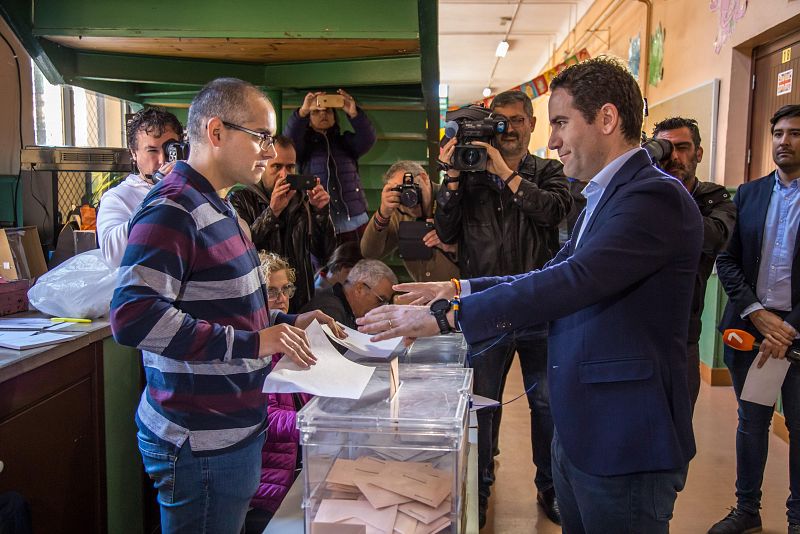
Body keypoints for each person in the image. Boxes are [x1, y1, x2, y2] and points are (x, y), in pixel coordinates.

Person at [358, 56, 702, 534]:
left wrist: (448, 315)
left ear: (606, 118)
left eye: (561, 123)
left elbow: (572, 282)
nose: (553, 140)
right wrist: (458, 285)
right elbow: (550, 270)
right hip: (583, 430)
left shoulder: (652, 196)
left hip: (623, 439)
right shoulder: (606, 193)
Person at [110, 77, 342, 534]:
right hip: (199, 440)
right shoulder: (174, 209)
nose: (270, 151)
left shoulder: (222, 207)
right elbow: (132, 316)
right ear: (216, 132)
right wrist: (255, 341)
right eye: (261, 137)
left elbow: (223, 307)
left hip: (232, 429)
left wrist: (289, 320)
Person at [437, 89, 571, 526]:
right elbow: (445, 228)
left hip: (540, 306)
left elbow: (553, 213)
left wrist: (505, 174)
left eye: (516, 120)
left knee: (547, 405)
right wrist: (453, 178)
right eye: (500, 120)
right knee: (482, 404)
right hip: (486, 308)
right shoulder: (469, 174)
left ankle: (548, 487)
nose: (508, 128)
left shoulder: (550, 171)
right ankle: (479, 487)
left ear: (532, 124)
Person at [711, 104, 800, 534]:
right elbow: (727, 262)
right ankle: (747, 510)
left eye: (796, 134)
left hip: (796, 333)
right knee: (752, 424)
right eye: (779, 133)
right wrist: (758, 315)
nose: (785, 141)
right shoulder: (748, 194)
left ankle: (798, 517)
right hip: (751, 326)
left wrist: (787, 328)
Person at [653, 116, 736, 412]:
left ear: (698, 153)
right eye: (665, 148)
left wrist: (665, 198)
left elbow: (714, 238)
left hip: (682, 333)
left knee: (676, 432)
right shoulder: (642, 194)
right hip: (636, 329)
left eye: (683, 147)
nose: (674, 157)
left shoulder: (714, 199)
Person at [230, 135, 336, 312]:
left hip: (300, 301)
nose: (284, 174)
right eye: (277, 166)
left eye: (290, 167)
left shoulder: (303, 201)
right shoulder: (240, 199)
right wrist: (273, 212)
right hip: (260, 302)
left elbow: (326, 253)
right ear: (262, 166)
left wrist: (321, 213)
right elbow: (240, 250)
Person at [246, 252, 313, 532]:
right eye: (271, 291)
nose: (282, 298)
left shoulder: (295, 340)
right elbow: (264, 419)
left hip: (297, 479)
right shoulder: (255, 349)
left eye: (285, 289)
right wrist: (313, 422)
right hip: (267, 489)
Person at [284, 89, 376, 243]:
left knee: (359, 265)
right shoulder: (304, 148)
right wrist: (302, 112)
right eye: (316, 112)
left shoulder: (345, 143)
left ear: (335, 116)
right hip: (321, 222)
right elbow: (290, 142)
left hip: (355, 220)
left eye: (328, 111)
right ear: (308, 119)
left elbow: (368, 139)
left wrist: (354, 113)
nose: (323, 114)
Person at [97, 108, 182, 267]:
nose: (162, 160)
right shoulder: (118, 198)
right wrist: (162, 195)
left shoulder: (191, 189)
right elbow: (113, 256)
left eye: (170, 150)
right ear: (133, 153)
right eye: (152, 150)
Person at [360, 160, 458, 282]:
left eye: (409, 187)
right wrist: (383, 213)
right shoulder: (398, 214)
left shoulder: (452, 200)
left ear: (424, 178)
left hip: (460, 293)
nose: (407, 197)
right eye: (400, 191)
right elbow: (369, 253)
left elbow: (485, 249)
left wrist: (453, 244)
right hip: (425, 295)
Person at [302, 259, 396, 330]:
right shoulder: (330, 311)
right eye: (380, 300)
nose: (382, 308)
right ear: (359, 289)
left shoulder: (344, 309)